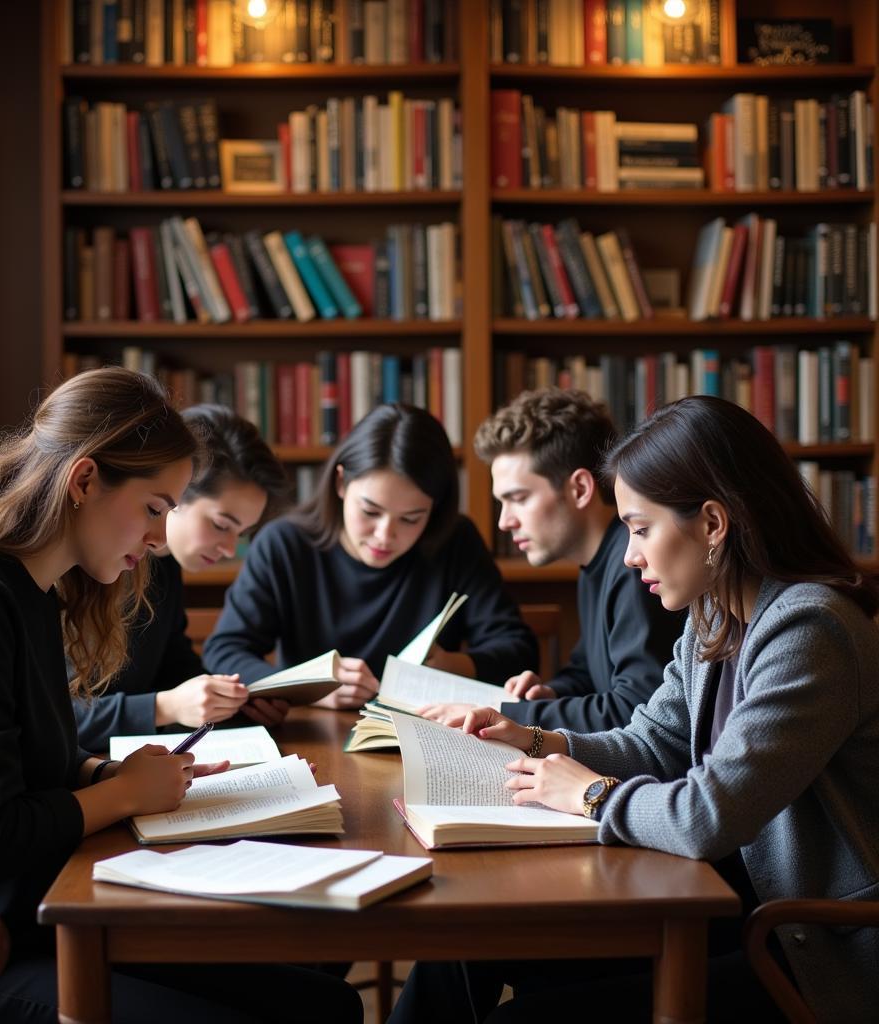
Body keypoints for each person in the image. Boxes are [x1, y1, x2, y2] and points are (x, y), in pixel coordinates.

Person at [0, 368, 362, 1024]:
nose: (158, 540)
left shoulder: (29, 595)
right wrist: (125, 795)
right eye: (155, 508)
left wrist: (111, 772)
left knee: (324, 1004)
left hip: (25, 921)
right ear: (85, 480)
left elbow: (30, 763)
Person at [390, 395, 879, 1024]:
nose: (628, 555)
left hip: (803, 944)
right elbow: (653, 742)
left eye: (641, 528)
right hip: (726, 902)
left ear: (711, 523)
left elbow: (709, 814)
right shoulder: (714, 615)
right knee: (460, 947)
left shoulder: (811, 631)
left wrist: (590, 795)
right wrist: (538, 742)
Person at [203, 403, 537, 709]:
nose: (384, 535)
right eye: (370, 510)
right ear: (341, 483)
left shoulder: (455, 541)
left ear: (434, 510)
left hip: (426, 734)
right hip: (313, 737)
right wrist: (310, 686)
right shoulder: (285, 544)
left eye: (410, 519)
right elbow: (225, 652)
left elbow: (517, 648)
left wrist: (455, 665)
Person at [420, 388, 684, 733]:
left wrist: (507, 713)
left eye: (518, 498)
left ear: (579, 489)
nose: (505, 521)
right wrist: (551, 693)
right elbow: (588, 673)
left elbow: (635, 708)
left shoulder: (634, 566)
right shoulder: (597, 561)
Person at [73, 404, 291, 752]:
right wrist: (167, 706)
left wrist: (234, 700)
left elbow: (175, 667)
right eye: (221, 525)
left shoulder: (164, 565)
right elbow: (52, 718)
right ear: (177, 492)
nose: (229, 549)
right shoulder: (80, 569)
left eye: (243, 534)